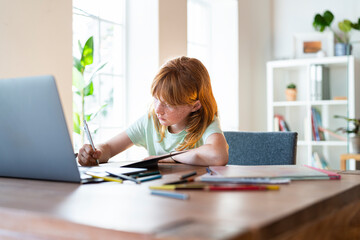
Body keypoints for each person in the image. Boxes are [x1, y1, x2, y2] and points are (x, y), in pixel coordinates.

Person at [78, 56, 228, 166]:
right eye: (156, 99)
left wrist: (167, 157)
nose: (158, 110)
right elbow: (109, 148)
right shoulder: (150, 122)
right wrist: (94, 152)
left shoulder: (207, 123)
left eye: (168, 105)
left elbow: (218, 155)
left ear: (195, 106)